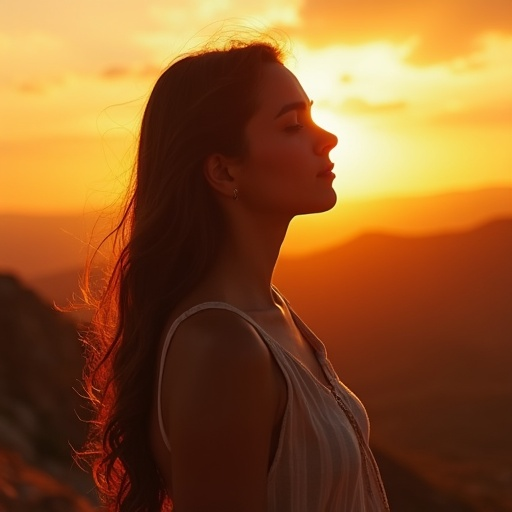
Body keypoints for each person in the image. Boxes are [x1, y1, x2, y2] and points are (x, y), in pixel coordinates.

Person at [82, 36, 389, 512]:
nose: (326, 138)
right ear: (224, 173)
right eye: (292, 125)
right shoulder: (222, 348)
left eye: (311, 115)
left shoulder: (271, 311)